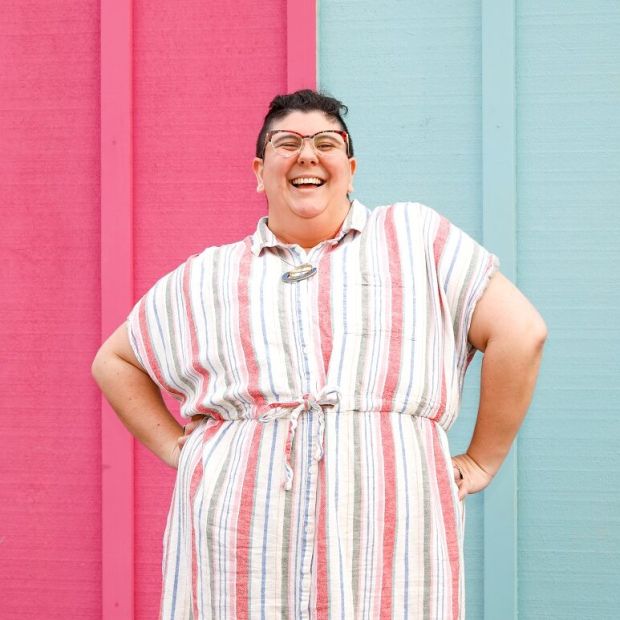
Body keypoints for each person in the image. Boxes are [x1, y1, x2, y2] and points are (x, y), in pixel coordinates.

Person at [92, 89, 547, 619]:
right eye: (287, 143)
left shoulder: (416, 239)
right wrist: (177, 449)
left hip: (388, 543)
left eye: (325, 143)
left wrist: (482, 460)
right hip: (238, 553)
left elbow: (522, 332)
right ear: (260, 172)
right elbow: (115, 360)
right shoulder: (205, 277)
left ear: (350, 169)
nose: (307, 155)